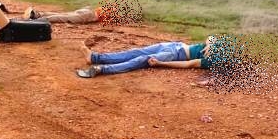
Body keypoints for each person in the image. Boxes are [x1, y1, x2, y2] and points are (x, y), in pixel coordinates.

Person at [76, 35, 216, 78]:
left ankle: (102, 69)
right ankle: (94, 57)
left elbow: (189, 64)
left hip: (175, 54)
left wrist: (161, 63)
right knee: (135, 52)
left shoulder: (213, 61)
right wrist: (211, 42)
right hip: (174, 45)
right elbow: (211, 37)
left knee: (141, 60)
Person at [23, 6, 104, 24]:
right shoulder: (114, 13)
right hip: (90, 15)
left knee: (63, 14)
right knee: (63, 17)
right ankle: (38, 20)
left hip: (88, 11)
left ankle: (37, 15)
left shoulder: (112, 7)